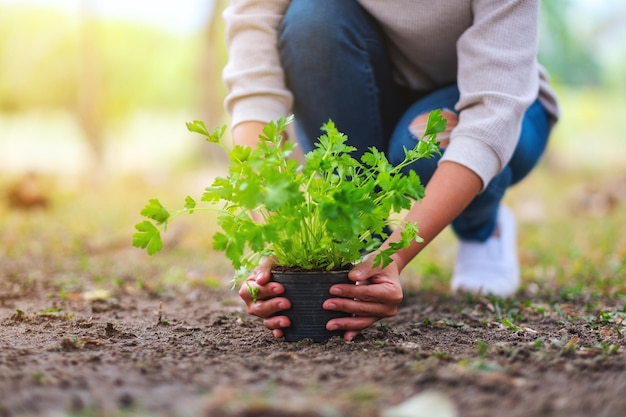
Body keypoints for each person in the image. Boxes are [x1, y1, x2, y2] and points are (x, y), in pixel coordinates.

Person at [221, 0, 560, 341]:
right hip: (366, 90)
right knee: (310, 19)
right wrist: (275, 242)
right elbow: (254, 89)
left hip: (494, 103)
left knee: (419, 145)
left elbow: (492, 117)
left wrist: (395, 256)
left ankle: (482, 228)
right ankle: (362, 249)